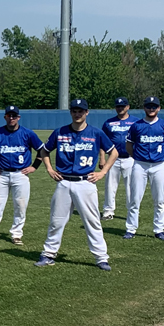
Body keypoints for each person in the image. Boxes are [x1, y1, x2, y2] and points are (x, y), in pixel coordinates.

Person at [36, 99, 117, 271]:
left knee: (92, 221)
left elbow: (114, 152)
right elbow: (44, 150)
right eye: (74, 110)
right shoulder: (60, 132)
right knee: (56, 221)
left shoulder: (96, 133)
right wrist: (49, 168)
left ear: (87, 113)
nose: (77, 114)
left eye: (81, 111)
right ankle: (48, 254)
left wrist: (102, 172)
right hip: (64, 181)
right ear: (71, 112)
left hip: (85, 182)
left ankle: (101, 257)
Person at [0, 105, 44, 246]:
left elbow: (42, 150)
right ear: (5, 117)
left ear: (18, 117)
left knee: (20, 206)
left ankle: (16, 234)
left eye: (14, 116)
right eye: (9, 115)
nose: (12, 118)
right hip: (2, 174)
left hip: (20, 174)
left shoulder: (28, 133)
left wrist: (34, 167)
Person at [124, 96, 164, 241]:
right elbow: (129, 146)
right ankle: (131, 229)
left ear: (159, 108)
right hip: (140, 165)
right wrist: (138, 158)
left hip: (159, 166)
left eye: (154, 106)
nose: (151, 109)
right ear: (144, 108)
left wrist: (163, 160)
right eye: (149, 106)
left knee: (159, 199)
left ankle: (159, 229)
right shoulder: (136, 126)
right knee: (134, 199)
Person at [99, 97, 139, 220]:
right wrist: (102, 158)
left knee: (131, 187)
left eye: (123, 106)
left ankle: (131, 211)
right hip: (113, 159)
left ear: (128, 107)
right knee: (110, 186)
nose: (120, 108)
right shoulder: (108, 123)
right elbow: (102, 142)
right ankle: (108, 211)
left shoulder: (136, 122)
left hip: (130, 158)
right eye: (118, 106)